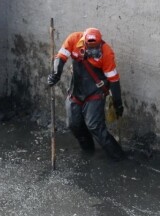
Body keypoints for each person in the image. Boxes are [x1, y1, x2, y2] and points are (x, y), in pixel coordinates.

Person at [47, 27, 125, 161]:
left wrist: (118, 103)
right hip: (76, 92)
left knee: (94, 126)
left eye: (96, 47)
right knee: (74, 124)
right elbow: (61, 56)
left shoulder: (107, 53)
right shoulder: (73, 39)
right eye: (91, 47)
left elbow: (113, 80)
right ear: (84, 43)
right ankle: (88, 151)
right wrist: (56, 74)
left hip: (95, 93)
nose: (94, 50)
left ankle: (119, 157)